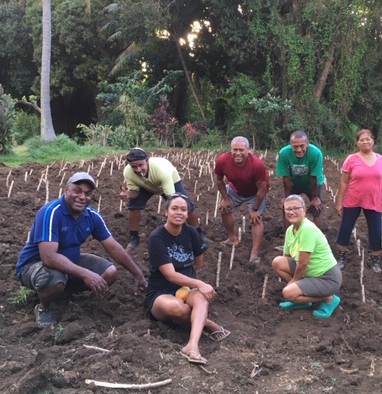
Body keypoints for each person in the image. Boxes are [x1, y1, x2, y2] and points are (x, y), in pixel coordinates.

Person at [16, 172, 148, 328]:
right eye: (77, 191)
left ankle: (62, 294)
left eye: (87, 193)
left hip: (69, 260)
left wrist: (137, 274)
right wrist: (85, 274)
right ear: (66, 190)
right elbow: (49, 257)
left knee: (110, 272)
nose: (82, 197)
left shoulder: (92, 216)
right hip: (34, 265)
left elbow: (113, 247)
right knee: (54, 279)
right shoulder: (51, 213)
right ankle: (44, 307)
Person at [146, 193, 230, 365]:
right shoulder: (157, 237)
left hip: (185, 289)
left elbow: (197, 262)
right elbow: (170, 275)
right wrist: (199, 283)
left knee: (201, 296)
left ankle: (192, 345)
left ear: (187, 213)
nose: (179, 212)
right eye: (174, 208)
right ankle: (206, 322)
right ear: (166, 212)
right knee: (179, 309)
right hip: (161, 292)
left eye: (183, 209)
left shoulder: (191, 232)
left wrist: (195, 285)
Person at [119, 148, 206, 250]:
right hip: (146, 186)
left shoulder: (161, 170)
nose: (138, 170)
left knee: (185, 204)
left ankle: (198, 232)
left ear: (147, 160)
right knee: (133, 205)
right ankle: (134, 238)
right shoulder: (128, 172)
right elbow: (135, 192)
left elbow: (172, 199)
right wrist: (128, 195)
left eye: (141, 165)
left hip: (170, 181)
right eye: (134, 167)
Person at [272, 195, 342, 318]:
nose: (291, 212)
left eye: (296, 208)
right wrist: (295, 283)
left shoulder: (307, 229)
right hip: (310, 272)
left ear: (304, 211)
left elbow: (303, 263)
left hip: (327, 277)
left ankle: (329, 299)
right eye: (288, 209)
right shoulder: (290, 230)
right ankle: (302, 299)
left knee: (288, 293)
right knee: (278, 262)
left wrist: (294, 282)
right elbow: (287, 257)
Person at [334, 129, 382, 273]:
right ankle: (341, 257)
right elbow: (344, 182)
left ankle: (375, 260)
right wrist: (339, 202)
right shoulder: (351, 159)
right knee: (346, 228)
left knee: (376, 230)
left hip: (374, 200)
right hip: (353, 199)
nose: (365, 142)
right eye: (362, 140)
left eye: (368, 139)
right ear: (357, 143)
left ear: (373, 141)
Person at [214, 136, 270, 264]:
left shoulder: (257, 165)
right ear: (231, 149)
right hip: (235, 189)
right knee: (224, 209)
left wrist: (255, 209)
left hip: (255, 192)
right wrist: (225, 199)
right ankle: (232, 238)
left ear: (248, 150)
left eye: (241, 150)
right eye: (235, 150)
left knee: (256, 219)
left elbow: (262, 189)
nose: (238, 153)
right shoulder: (223, 160)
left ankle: (254, 253)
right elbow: (219, 180)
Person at [276, 131, 325, 229]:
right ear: (290, 145)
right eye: (295, 147)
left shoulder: (315, 153)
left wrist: (315, 197)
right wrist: (287, 197)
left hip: (313, 183)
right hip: (295, 183)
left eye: (302, 146)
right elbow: (286, 177)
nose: (299, 150)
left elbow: (313, 176)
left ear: (307, 144)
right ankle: (288, 239)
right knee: (287, 207)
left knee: (316, 209)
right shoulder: (284, 153)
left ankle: (318, 238)